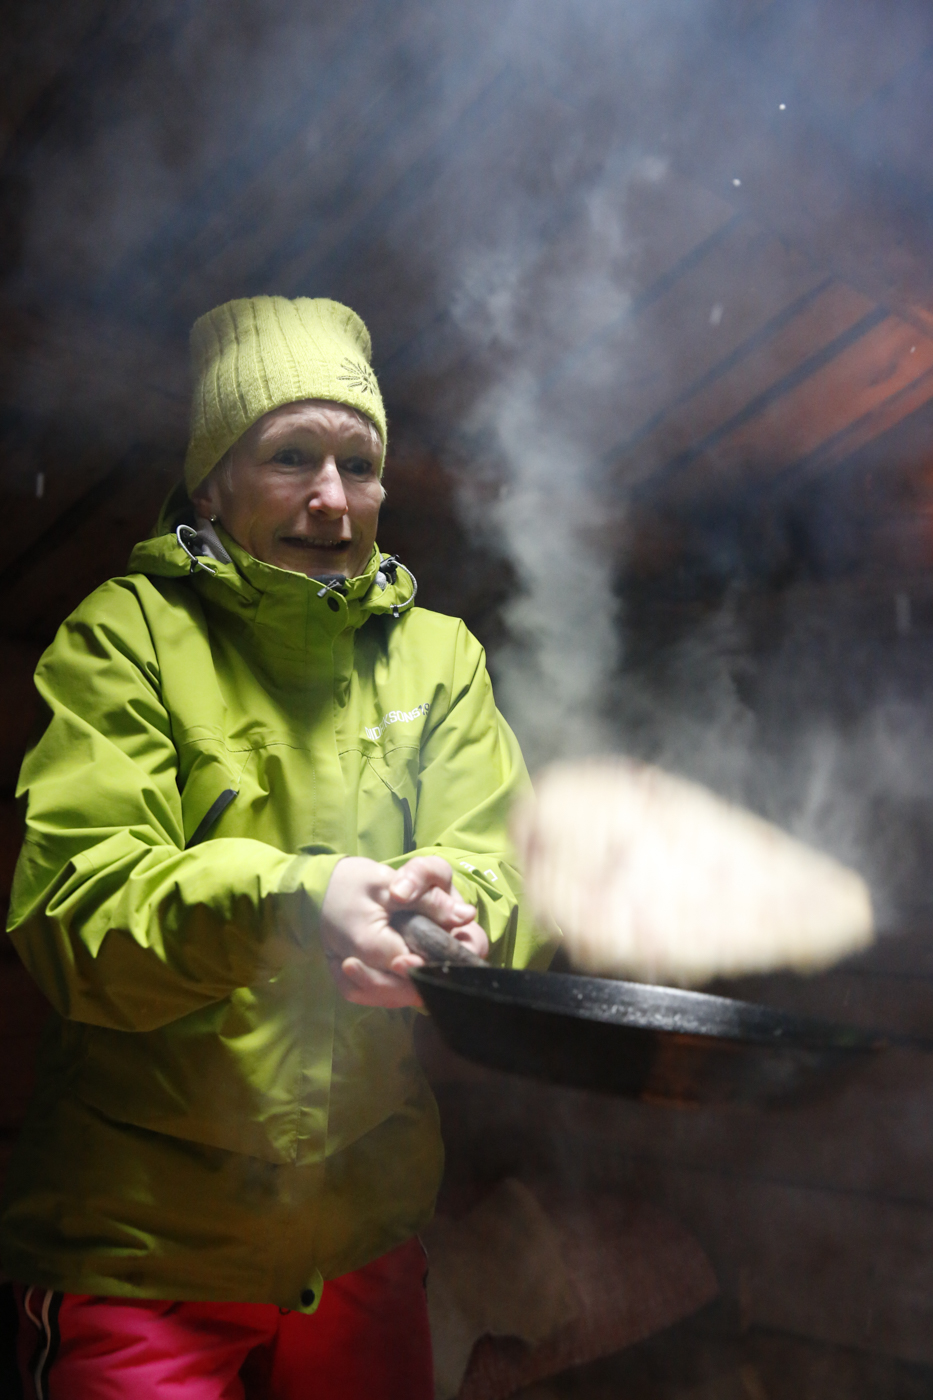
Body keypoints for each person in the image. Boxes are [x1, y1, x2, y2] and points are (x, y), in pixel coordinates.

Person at [2, 296, 549, 1399]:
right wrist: (295, 901)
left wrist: (462, 930)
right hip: (144, 1240)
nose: (331, 497)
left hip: (360, 1230)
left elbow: (499, 868)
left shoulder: (437, 659)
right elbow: (75, 909)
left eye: (360, 461)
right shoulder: (128, 636)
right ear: (212, 480)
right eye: (290, 454)